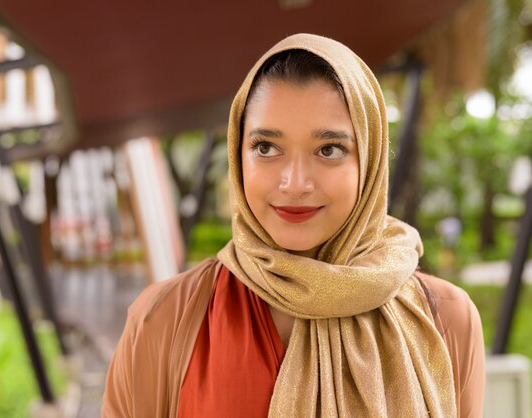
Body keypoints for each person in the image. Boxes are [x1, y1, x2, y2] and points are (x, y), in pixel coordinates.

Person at [102, 33, 485, 417]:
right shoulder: (164, 320)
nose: (295, 183)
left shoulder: (446, 319)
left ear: (369, 162)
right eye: (266, 147)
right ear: (239, 157)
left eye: (329, 150)